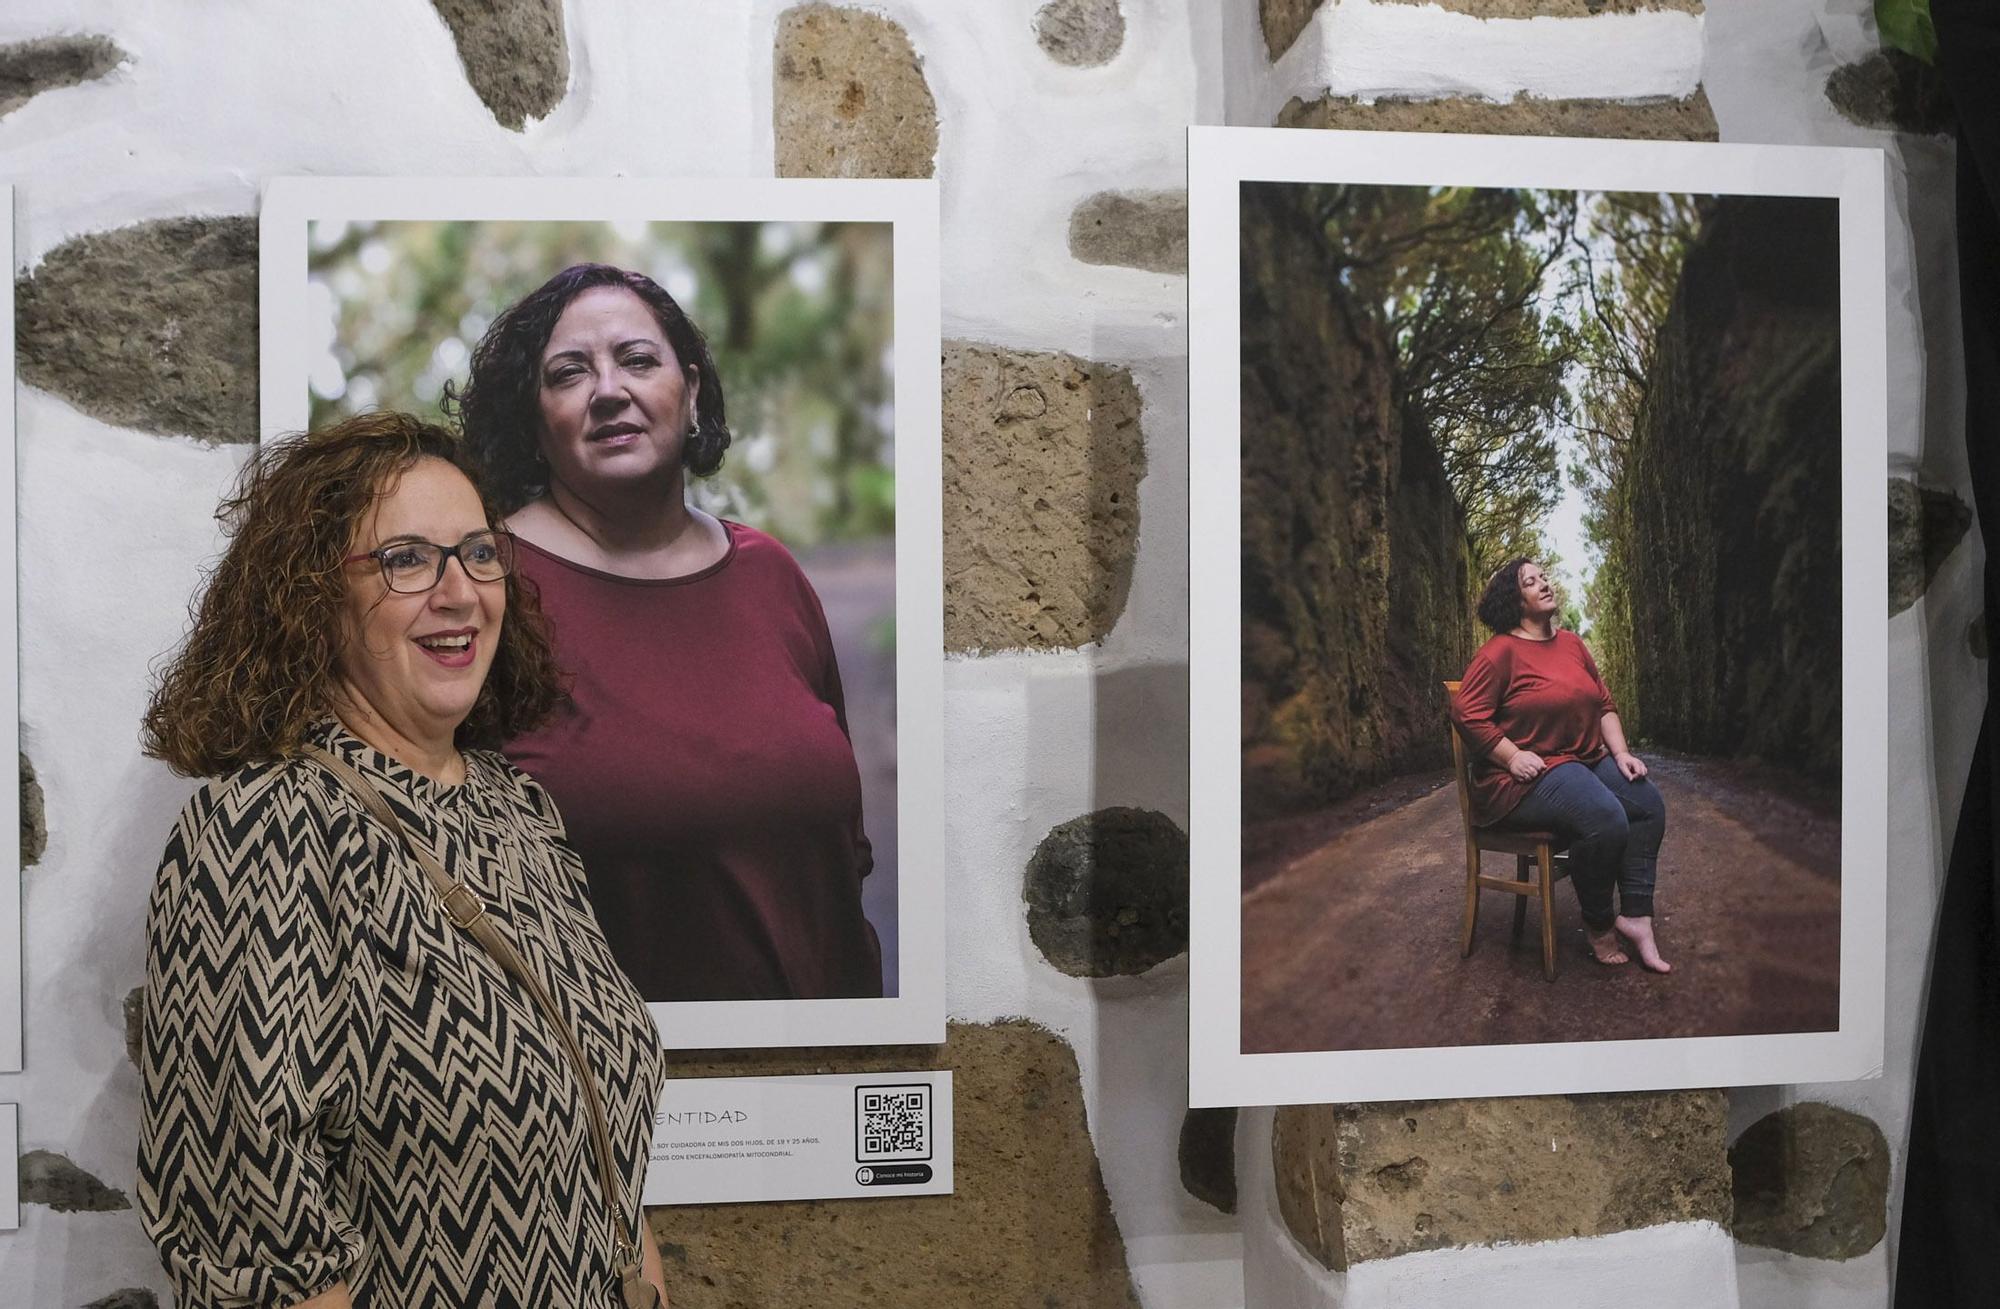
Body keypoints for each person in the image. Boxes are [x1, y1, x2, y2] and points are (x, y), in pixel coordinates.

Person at [136, 413, 672, 1308]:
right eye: (407, 560)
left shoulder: (516, 807)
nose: (459, 592)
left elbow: (594, 1140)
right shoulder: (262, 832)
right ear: (311, 597)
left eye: (478, 553)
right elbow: (256, 1241)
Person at [452, 262, 882, 1003]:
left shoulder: (769, 573)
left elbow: (844, 853)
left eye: (638, 360)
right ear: (533, 421)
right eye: (568, 374)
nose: (609, 390)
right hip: (607, 1089)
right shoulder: (485, 589)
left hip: (820, 1077)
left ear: (688, 394)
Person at [1449, 557, 1672, 972]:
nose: (1543, 584)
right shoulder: (1500, 652)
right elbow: (1466, 713)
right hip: (1524, 778)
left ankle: (1637, 917)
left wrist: (1621, 753)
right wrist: (1511, 755)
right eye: (1530, 582)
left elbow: (1603, 703)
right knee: (1605, 817)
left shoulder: (1572, 644)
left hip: (1582, 761)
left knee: (1646, 804)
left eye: (1543, 577)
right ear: (1515, 601)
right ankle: (1599, 923)